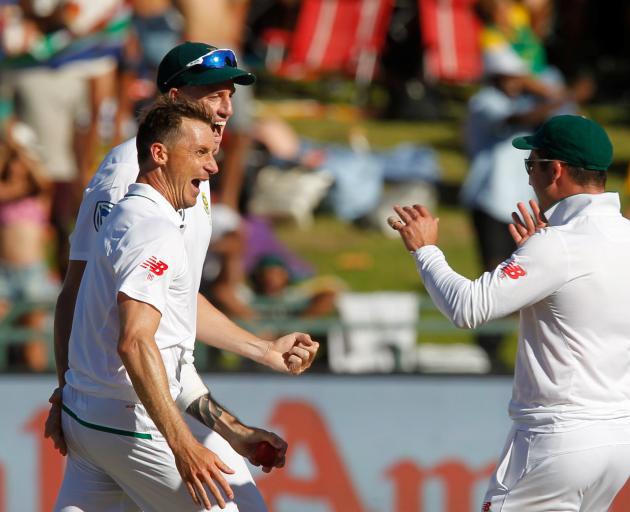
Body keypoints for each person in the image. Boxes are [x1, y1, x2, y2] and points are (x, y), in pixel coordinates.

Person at [46, 42, 318, 511]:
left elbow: (171, 300)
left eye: (230, 95)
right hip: (128, 408)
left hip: (138, 400)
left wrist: (262, 350)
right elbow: (82, 291)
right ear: (174, 100)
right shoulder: (132, 174)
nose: (226, 108)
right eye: (212, 94)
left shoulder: (195, 173)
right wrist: (65, 390)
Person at [388, 114, 630, 511]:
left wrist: (425, 250)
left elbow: (468, 308)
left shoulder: (559, 246)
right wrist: (537, 256)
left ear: (555, 170)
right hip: (617, 439)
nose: (530, 178)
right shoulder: (620, 236)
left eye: (530, 165)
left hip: (558, 438)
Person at [460, 45, 570, 371]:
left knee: (524, 276)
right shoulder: (483, 103)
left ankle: (506, 346)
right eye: (510, 78)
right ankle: (488, 347)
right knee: (497, 275)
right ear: (495, 78)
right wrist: (555, 95)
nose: (516, 84)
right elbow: (519, 119)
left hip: (520, 201)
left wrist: (549, 94)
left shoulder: (526, 102)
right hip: (488, 199)